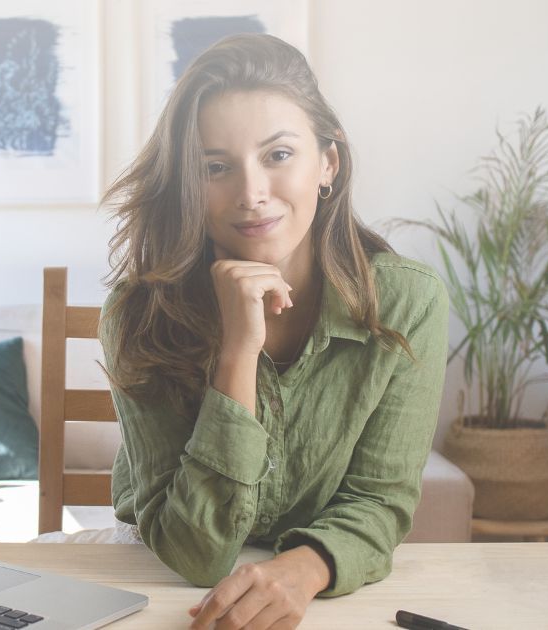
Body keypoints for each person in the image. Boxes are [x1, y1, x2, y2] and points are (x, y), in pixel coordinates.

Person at [98, 33, 449, 629]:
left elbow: (378, 503)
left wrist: (304, 570)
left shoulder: (407, 302)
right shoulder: (138, 315)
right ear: (188, 182)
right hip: (161, 593)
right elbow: (196, 553)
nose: (252, 194)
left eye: (278, 155)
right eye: (215, 167)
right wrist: (238, 350)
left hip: (332, 603)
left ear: (327, 164)